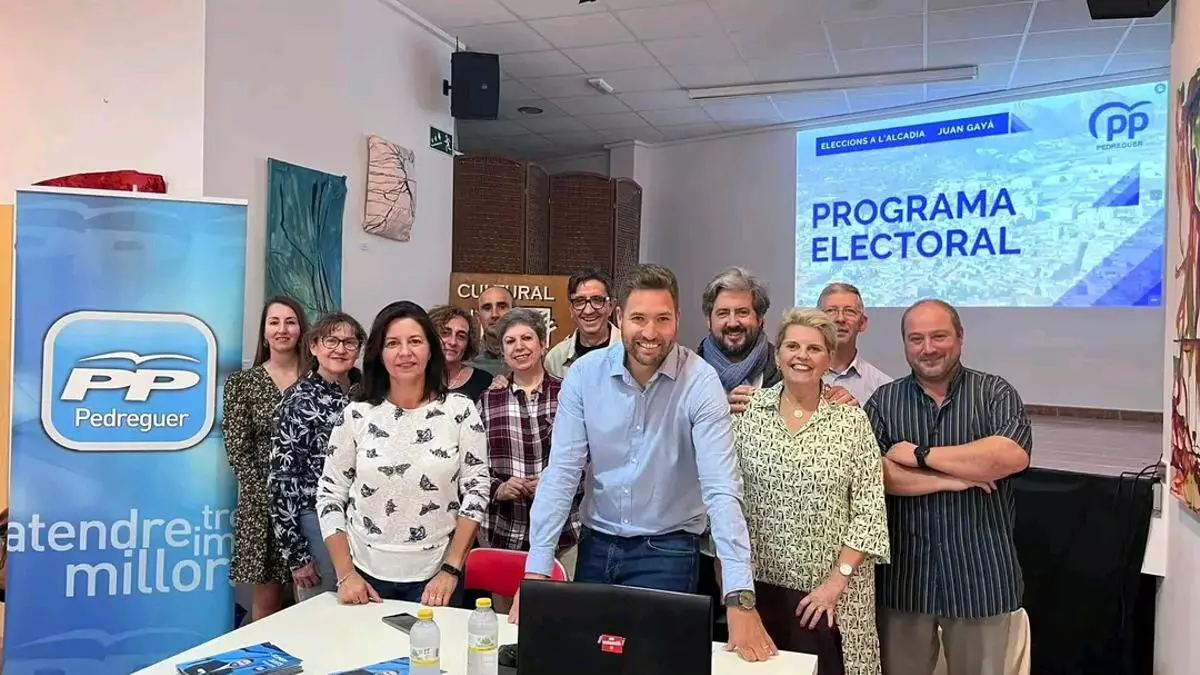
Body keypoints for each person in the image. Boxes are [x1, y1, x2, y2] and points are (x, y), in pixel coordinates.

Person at [511, 263, 777, 663]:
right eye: (638, 318)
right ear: (619, 316)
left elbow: (722, 488)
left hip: (667, 552)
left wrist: (738, 595)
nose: (650, 332)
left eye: (662, 319)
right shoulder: (585, 375)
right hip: (596, 546)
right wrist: (536, 571)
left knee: (657, 664)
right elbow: (562, 473)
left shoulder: (701, 382)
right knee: (588, 664)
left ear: (678, 318)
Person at [864, 299, 1032, 675]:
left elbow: (1010, 455)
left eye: (938, 336)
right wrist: (955, 479)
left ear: (959, 337)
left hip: (981, 580)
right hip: (905, 583)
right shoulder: (884, 402)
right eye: (916, 339)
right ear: (905, 343)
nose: (928, 348)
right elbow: (876, 475)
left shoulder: (995, 393)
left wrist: (920, 455)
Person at [733, 308, 890, 675]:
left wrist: (836, 583)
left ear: (829, 358)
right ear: (777, 354)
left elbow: (869, 510)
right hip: (763, 592)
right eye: (792, 346)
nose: (801, 356)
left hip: (837, 595)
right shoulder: (747, 414)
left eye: (814, 348)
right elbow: (728, 499)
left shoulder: (851, 421)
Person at [317, 301, 491, 607]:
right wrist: (345, 574)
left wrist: (451, 569)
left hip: (438, 578)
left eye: (415, 341)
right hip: (363, 578)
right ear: (379, 353)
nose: (405, 352)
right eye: (393, 343)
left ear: (430, 349)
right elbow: (330, 494)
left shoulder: (460, 411)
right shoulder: (357, 414)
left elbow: (477, 490)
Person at [477, 309, 581, 610]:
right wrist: (499, 488)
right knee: (505, 624)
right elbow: (473, 465)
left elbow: (587, 460)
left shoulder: (568, 394)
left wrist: (551, 484)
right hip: (505, 533)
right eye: (510, 341)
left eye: (527, 338)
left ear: (543, 344)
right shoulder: (488, 400)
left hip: (563, 538)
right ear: (502, 350)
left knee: (559, 621)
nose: (519, 347)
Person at [268, 311, 366, 602]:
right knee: (325, 612)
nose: (340, 349)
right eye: (331, 341)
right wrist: (296, 555)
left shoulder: (367, 395)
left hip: (364, 519)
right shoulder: (298, 400)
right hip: (315, 519)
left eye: (349, 342)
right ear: (313, 346)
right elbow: (282, 479)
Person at [222, 295, 309, 621]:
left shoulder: (317, 380)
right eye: (274, 322)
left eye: (290, 322)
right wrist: (271, 500)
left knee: (314, 596)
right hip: (263, 505)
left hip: (311, 503)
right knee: (268, 599)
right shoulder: (242, 384)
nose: (282, 329)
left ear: (301, 330)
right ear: (264, 332)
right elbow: (238, 450)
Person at [817, 283, 892, 404]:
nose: (840, 319)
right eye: (831, 311)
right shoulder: (797, 377)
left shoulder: (883, 387)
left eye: (849, 311)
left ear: (862, 323)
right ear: (817, 321)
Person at [543, 268, 618, 378]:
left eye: (597, 300)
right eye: (579, 301)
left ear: (611, 306)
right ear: (571, 310)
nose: (588, 310)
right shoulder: (555, 359)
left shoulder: (631, 351)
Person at [429, 304, 493, 401]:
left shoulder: (484, 381)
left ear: (468, 343)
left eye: (461, 336)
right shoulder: (417, 378)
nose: (453, 342)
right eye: (445, 333)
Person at [470, 286, 514, 376]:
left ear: (515, 312)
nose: (494, 315)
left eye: (502, 307)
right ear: (478, 317)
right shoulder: (466, 360)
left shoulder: (534, 357)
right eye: (487, 308)